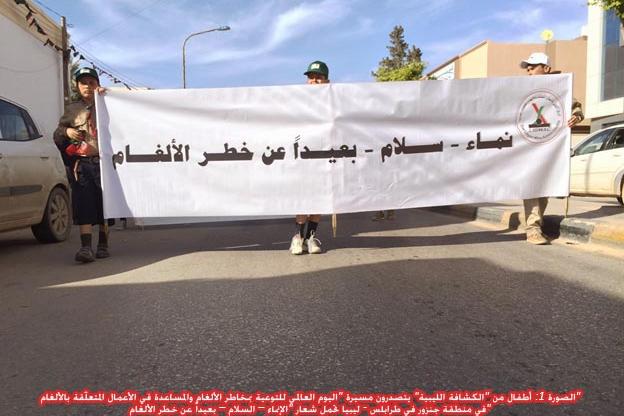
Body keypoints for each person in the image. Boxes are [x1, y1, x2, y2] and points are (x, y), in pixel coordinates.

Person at [520, 52, 584, 245]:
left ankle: (536, 225)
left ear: (546, 68)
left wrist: (577, 117)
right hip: (528, 148)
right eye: (527, 68)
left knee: (544, 188)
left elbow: (577, 108)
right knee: (531, 187)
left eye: (533, 67)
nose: (529, 71)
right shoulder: (521, 89)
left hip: (550, 150)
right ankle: (532, 229)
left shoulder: (560, 87)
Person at [54, 67, 110, 263]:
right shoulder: (72, 109)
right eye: (83, 83)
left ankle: (103, 244)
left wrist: (109, 95)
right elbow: (58, 132)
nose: (87, 86)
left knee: (105, 204)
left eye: (91, 82)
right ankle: (86, 247)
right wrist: (67, 132)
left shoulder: (108, 103)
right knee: (84, 204)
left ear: (98, 84)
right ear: (77, 86)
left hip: (105, 163)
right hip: (83, 165)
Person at [289, 61, 330, 255]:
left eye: (318, 77)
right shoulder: (298, 100)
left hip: (324, 154)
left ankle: (311, 237)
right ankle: (298, 238)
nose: (314, 80)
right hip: (303, 153)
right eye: (311, 77)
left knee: (319, 198)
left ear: (326, 80)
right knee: (302, 196)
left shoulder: (333, 100)